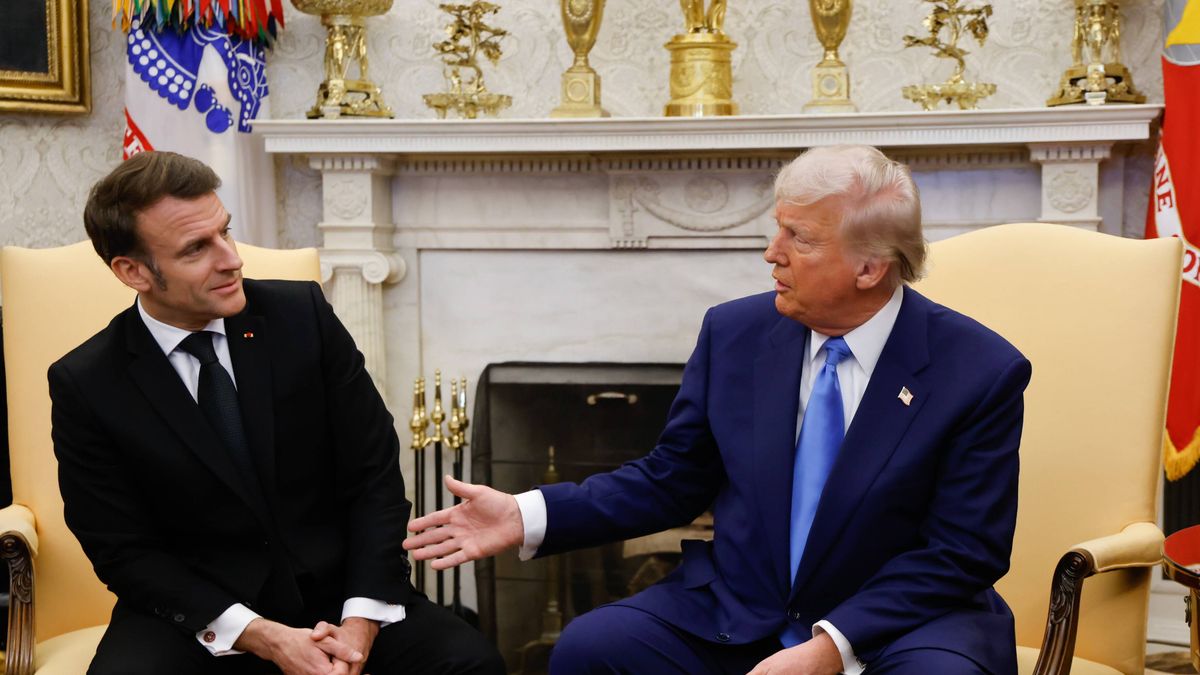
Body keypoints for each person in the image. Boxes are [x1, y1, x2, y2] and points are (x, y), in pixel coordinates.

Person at [405, 144, 1030, 674]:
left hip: (902, 621)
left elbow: (962, 552)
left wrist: (831, 646)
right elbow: (673, 479)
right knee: (592, 649)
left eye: (799, 238)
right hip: (740, 605)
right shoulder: (736, 334)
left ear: (870, 267)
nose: (771, 253)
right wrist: (527, 513)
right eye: (777, 227)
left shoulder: (978, 370)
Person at [50, 151, 504, 675]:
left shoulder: (302, 317)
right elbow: (122, 550)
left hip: (340, 596)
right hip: (199, 616)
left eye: (225, 231)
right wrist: (262, 636)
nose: (231, 258)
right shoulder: (87, 382)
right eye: (197, 248)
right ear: (133, 272)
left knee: (469, 664)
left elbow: (372, 475)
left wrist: (360, 623)